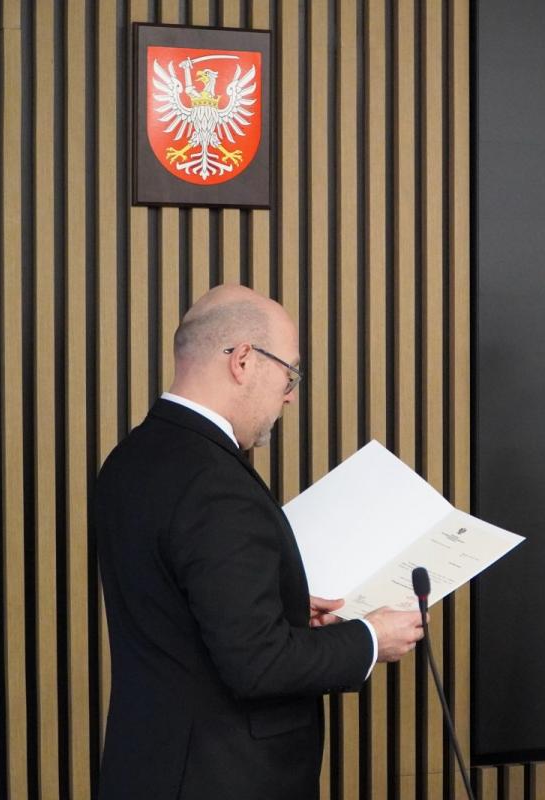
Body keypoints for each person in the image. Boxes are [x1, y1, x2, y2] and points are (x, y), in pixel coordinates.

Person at [95, 284, 424, 799]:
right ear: (244, 360)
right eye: (289, 374)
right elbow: (258, 665)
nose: (290, 394)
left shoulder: (129, 459)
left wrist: (284, 607)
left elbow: (180, 611)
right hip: (222, 779)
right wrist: (369, 639)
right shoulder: (215, 482)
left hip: (147, 769)